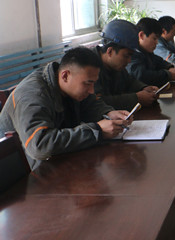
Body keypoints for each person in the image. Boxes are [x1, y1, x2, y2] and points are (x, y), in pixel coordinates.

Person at [0, 47, 131, 169]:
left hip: (56, 161)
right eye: (88, 83)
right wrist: (97, 130)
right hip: (21, 173)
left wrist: (108, 113)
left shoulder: (69, 86)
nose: (92, 90)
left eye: (94, 83)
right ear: (65, 76)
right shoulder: (33, 96)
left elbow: (90, 105)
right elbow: (40, 146)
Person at [95, 19, 158, 110]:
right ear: (110, 51)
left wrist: (144, 88)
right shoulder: (89, 66)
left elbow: (129, 81)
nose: (129, 61)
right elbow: (98, 102)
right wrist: (136, 98)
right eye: (126, 56)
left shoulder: (115, 65)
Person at [128, 17, 175, 86]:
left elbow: (159, 62)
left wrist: (170, 68)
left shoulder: (146, 52)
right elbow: (142, 76)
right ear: (141, 35)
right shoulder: (131, 53)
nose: (157, 43)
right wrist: (168, 74)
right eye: (154, 38)